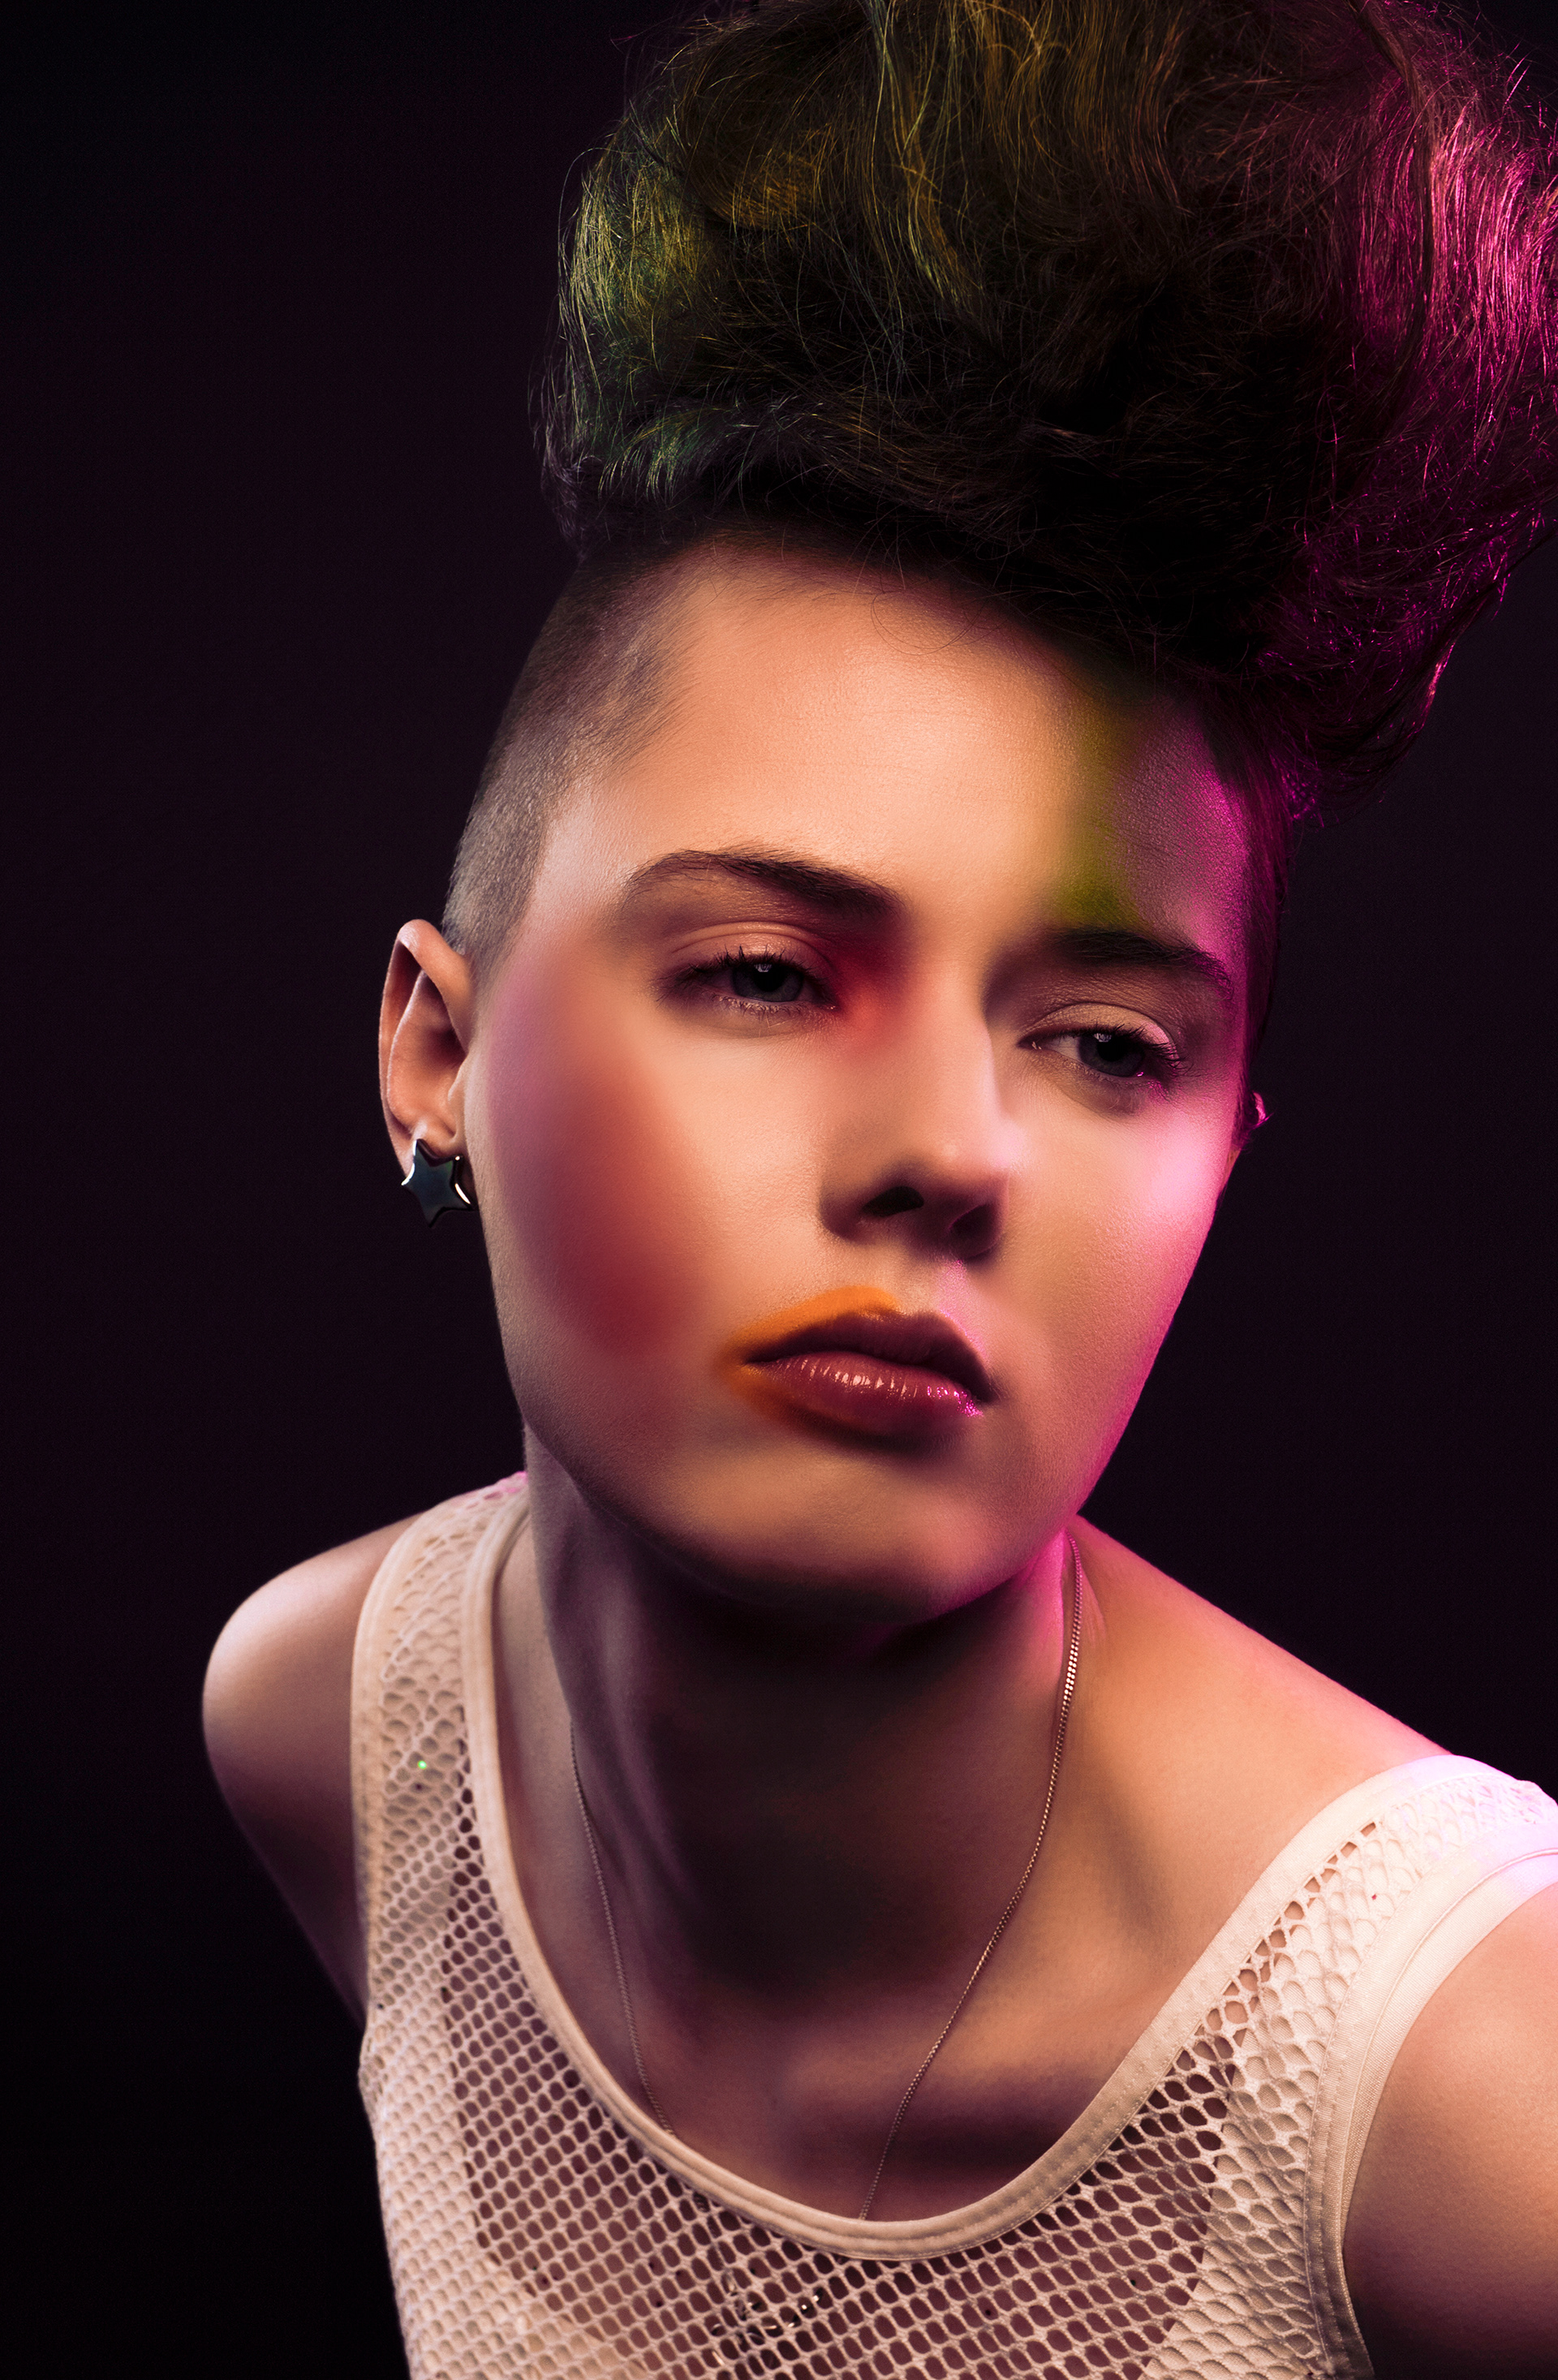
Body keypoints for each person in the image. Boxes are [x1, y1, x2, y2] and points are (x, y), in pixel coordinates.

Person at [203, 2, 1558, 2373]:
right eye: (764, 973)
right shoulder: (333, 1732)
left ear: (1224, 1156)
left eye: (1108, 1045)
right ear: (438, 1051)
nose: (951, 1148)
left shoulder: (1477, 2100)